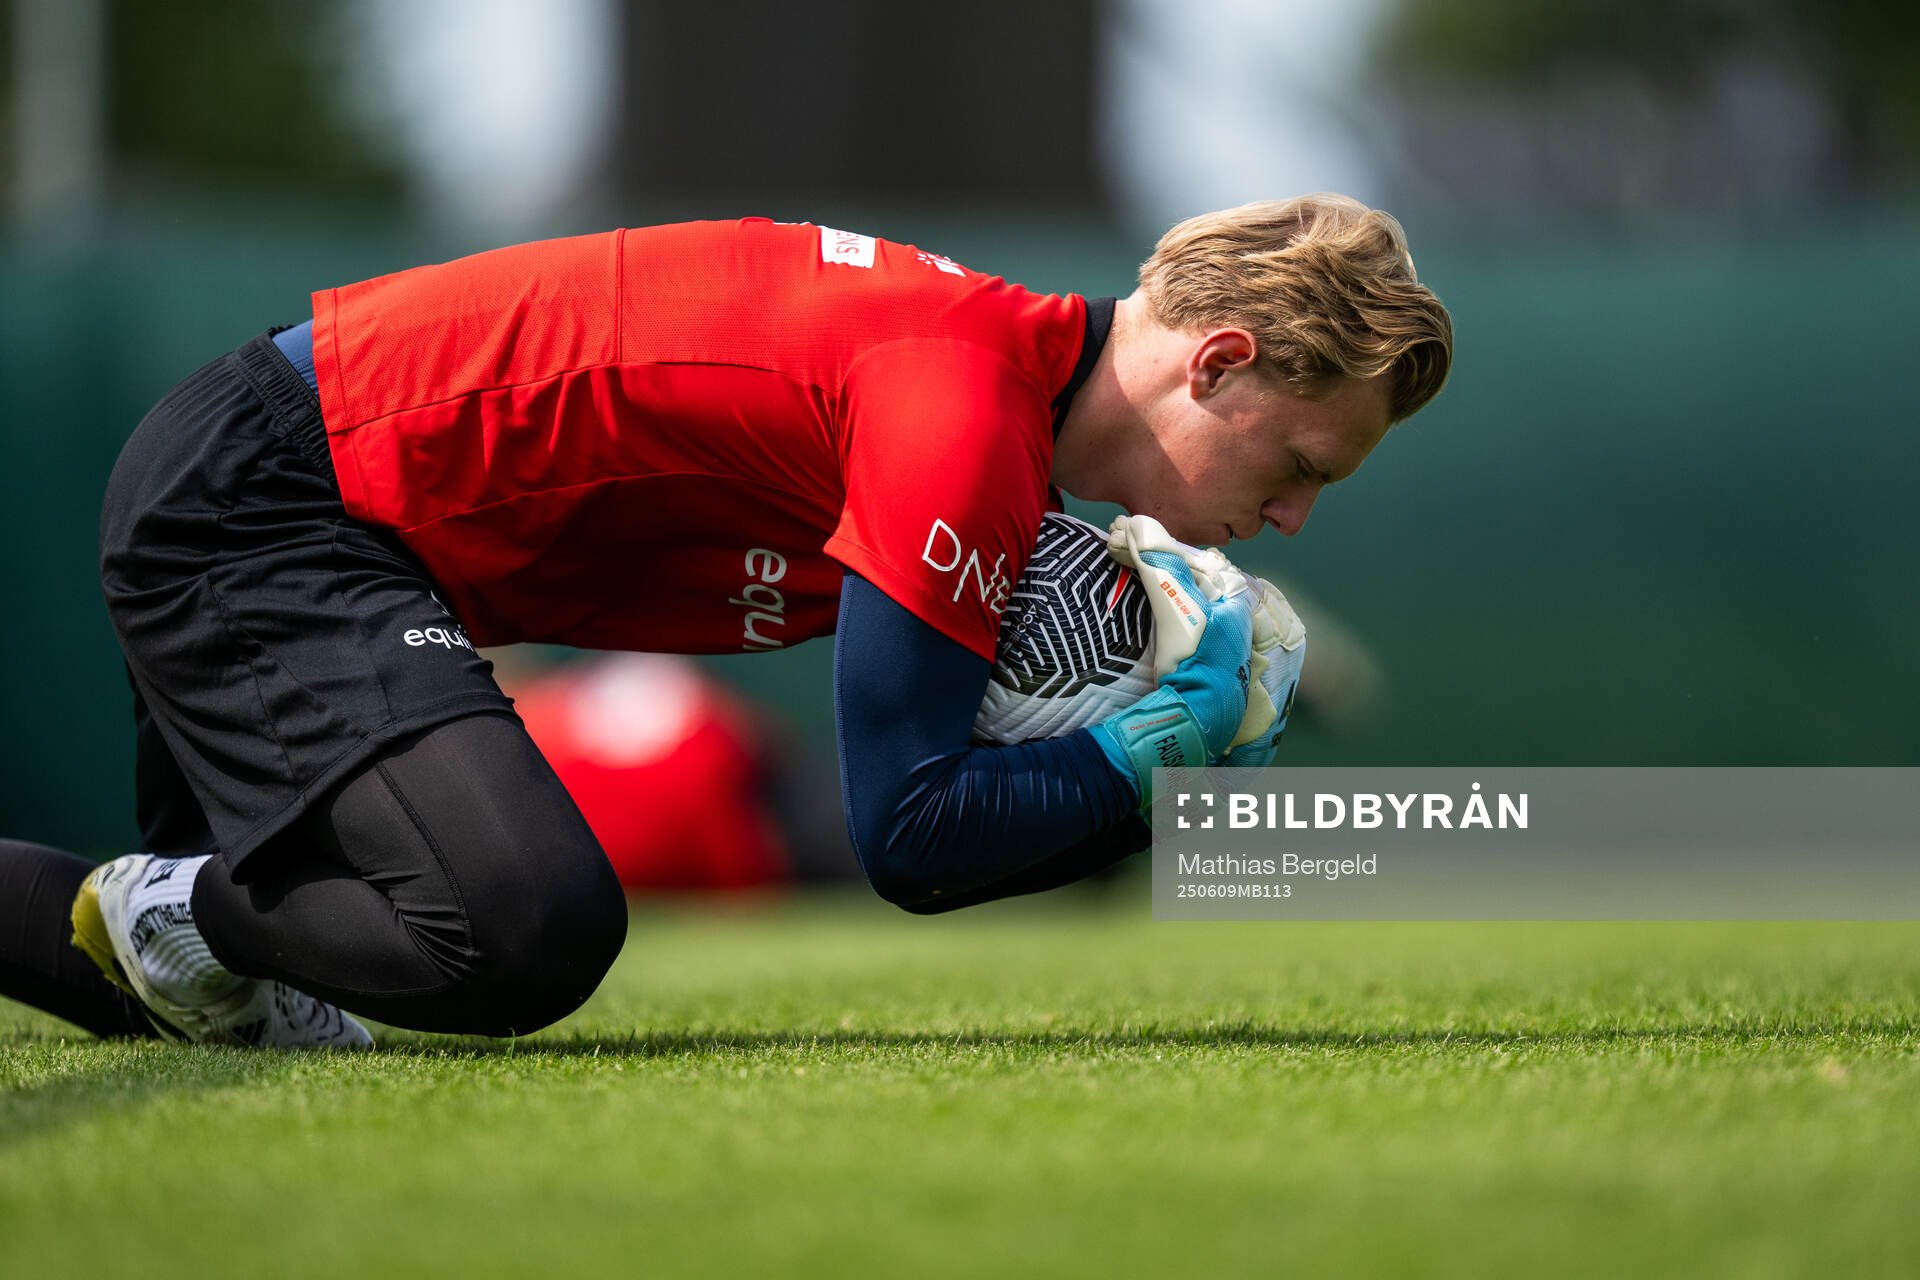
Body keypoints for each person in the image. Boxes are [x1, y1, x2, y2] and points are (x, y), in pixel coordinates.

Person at [0, 195, 1452, 1047]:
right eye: (1301, 466)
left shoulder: (994, 402)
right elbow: (912, 839)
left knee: (225, 1007)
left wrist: (1134, 767)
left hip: (308, 494)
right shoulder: (959, 412)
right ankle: (190, 907)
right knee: (524, 926)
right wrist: (1146, 765)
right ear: (1221, 363)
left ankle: (186, 920)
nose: (1292, 518)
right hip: (279, 495)